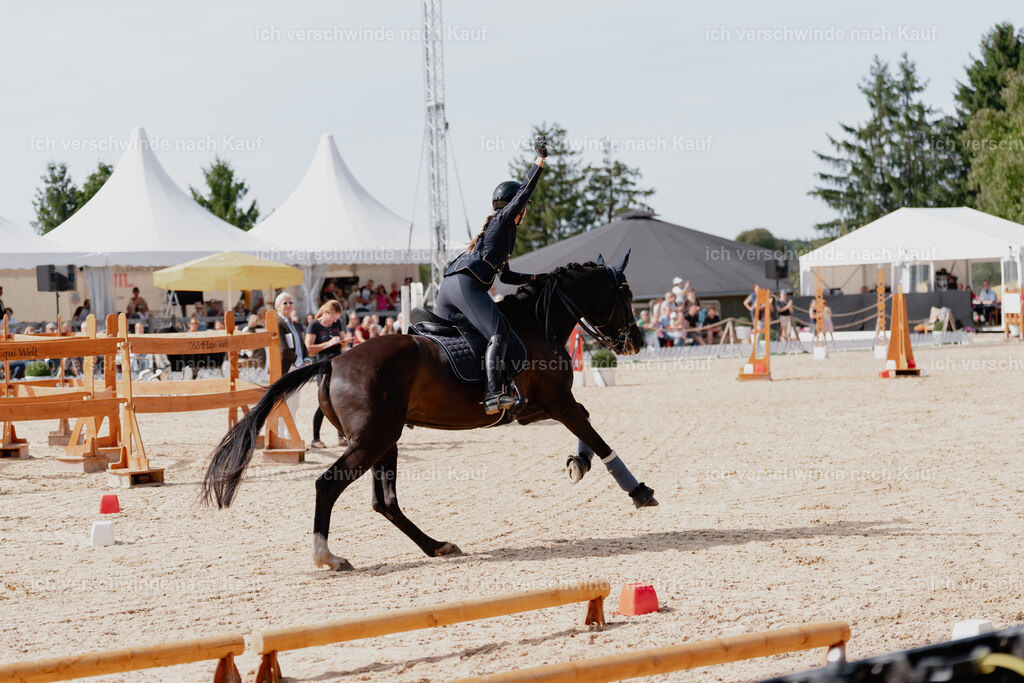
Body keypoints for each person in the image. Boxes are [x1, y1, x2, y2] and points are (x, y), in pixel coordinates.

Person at [435, 136, 548, 414]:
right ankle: (492, 394)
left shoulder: (501, 235)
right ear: (514, 207)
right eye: (523, 207)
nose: (525, 212)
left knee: (477, 335)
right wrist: (540, 162)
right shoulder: (503, 220)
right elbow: (524, 192)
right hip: (466, 285)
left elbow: (507, 278)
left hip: (449, 287)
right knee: (499, 332)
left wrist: (534, 279)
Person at [305, 300, 346, 449]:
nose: (336, 320)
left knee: (340, 400)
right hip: (323, 366)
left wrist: (343, 341)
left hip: (338, 364)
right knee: (324, 403)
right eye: (334, 316)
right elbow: (308, 349)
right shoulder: (314, 325)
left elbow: (342, 341)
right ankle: (316, 438)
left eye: (337, 317)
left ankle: (341, 436)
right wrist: (327, 343)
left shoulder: (337, 323)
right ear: (327, 313)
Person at [276, 293, 310, 439]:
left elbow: (302, 344)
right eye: (285, 303)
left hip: (298, 366)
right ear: (277, 306)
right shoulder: (277, 322)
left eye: (290, 302)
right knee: (284, 401)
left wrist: (307, 358)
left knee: (295, 402)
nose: (288, 305)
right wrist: (299, 362)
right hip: (287, 367)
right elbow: (283, 349)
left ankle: (289, 431)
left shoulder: (295, 324)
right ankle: (282, 434)